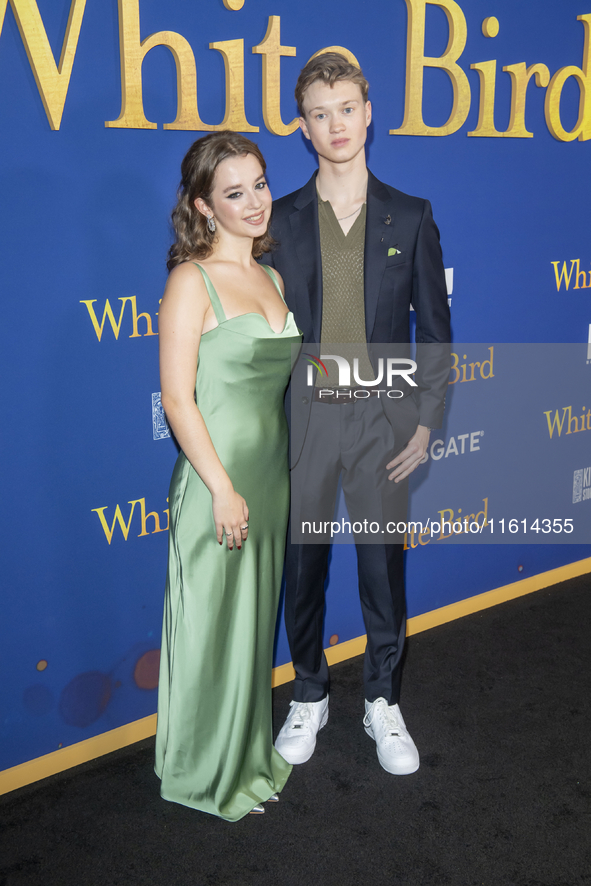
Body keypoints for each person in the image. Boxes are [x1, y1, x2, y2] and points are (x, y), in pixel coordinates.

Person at [264, 53, 451, 775]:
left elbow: (434, 334)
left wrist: (427, 423)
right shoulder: (277, 221)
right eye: (319, 112)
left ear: (368, 113)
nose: (334, 124)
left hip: (382, 424)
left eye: (346, 108)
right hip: (302, 422)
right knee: (302, 570)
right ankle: (308, 691)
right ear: (302, 127)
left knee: (381, 572)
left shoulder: (411, 215)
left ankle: (381, 700)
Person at [154, 132, 301, 820]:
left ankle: (244, 755)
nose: (254, 202)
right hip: (219, 485)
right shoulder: (192, 279)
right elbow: (179, 400)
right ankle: (202, 773)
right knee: (213, 628)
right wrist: (220, 487)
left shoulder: (270, 278)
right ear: (203, 206)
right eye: (233, 192)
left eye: (260, 184)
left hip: (268, 477)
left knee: (250, 627)